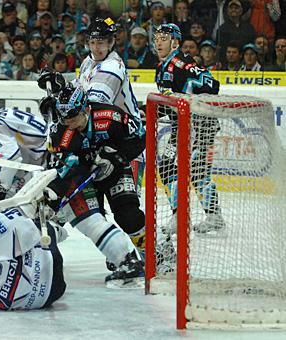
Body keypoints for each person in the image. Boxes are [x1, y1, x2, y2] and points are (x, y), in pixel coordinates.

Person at [37, 17, 147, 252]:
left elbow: (93, 105)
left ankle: (151, 252)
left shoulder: (113, 68)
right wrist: (59, 83)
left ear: (112, 42)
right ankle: (117, 249)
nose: (97, 48)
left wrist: (57, 98)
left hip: (124, 143)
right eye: (93, 42)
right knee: (90, 204)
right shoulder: (89, 62)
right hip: (94, 142)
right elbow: (76, 97)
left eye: (102, 43)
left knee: (126, 212)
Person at [42, 83, 145, 283]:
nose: (69, 123)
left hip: (116, 170)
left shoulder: (111, 116)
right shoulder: (60, 132)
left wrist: (118, 156)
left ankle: (156, 254)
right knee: (95, 218)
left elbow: (141, 137)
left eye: (74, 117)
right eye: (65, 118)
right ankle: (121, 255)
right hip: (85, 177)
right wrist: (54, 199)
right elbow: (65, 170)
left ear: (86, 108)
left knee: (129, 216)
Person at [153, 23, 224, 233]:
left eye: (164, 38)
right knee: (171, 167)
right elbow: (169, 104)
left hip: (199, 125)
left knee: (188, 170)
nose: (158, 41)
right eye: (157, 37)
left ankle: (187, 216)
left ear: (175, 41)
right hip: (182, 126)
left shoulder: (183, 62)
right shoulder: (162, 67)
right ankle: (200, 215)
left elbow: (211, 84)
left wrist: (187, 98)